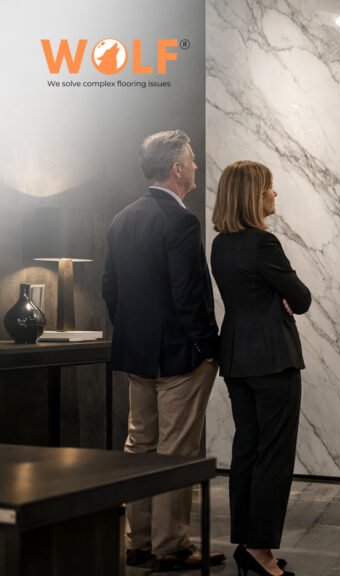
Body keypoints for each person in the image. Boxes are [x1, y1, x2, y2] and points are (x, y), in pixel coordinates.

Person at [102, 130, 226, 570]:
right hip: (180, 358)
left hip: (138, 355)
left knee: (140, 445)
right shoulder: (181, 221)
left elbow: (110, 290)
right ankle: (170, 547)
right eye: (191, 161)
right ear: (176, 169)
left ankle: (138, 542)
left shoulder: (121, 218)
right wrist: (209, 349)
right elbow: (188, 296)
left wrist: (135, 334)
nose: (195, 167)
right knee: (176, 452)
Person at [211, 160, 310, 576]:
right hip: (272, 358)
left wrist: (278, 295)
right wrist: (282, 297)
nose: (275, 194)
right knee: (273, 455)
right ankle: (260, 549)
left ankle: (247, 543)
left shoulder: (220, 244)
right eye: (270, 187)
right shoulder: (263, 244)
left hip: (236, 358)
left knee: (247, 450)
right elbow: (301, 298)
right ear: (254, 195)